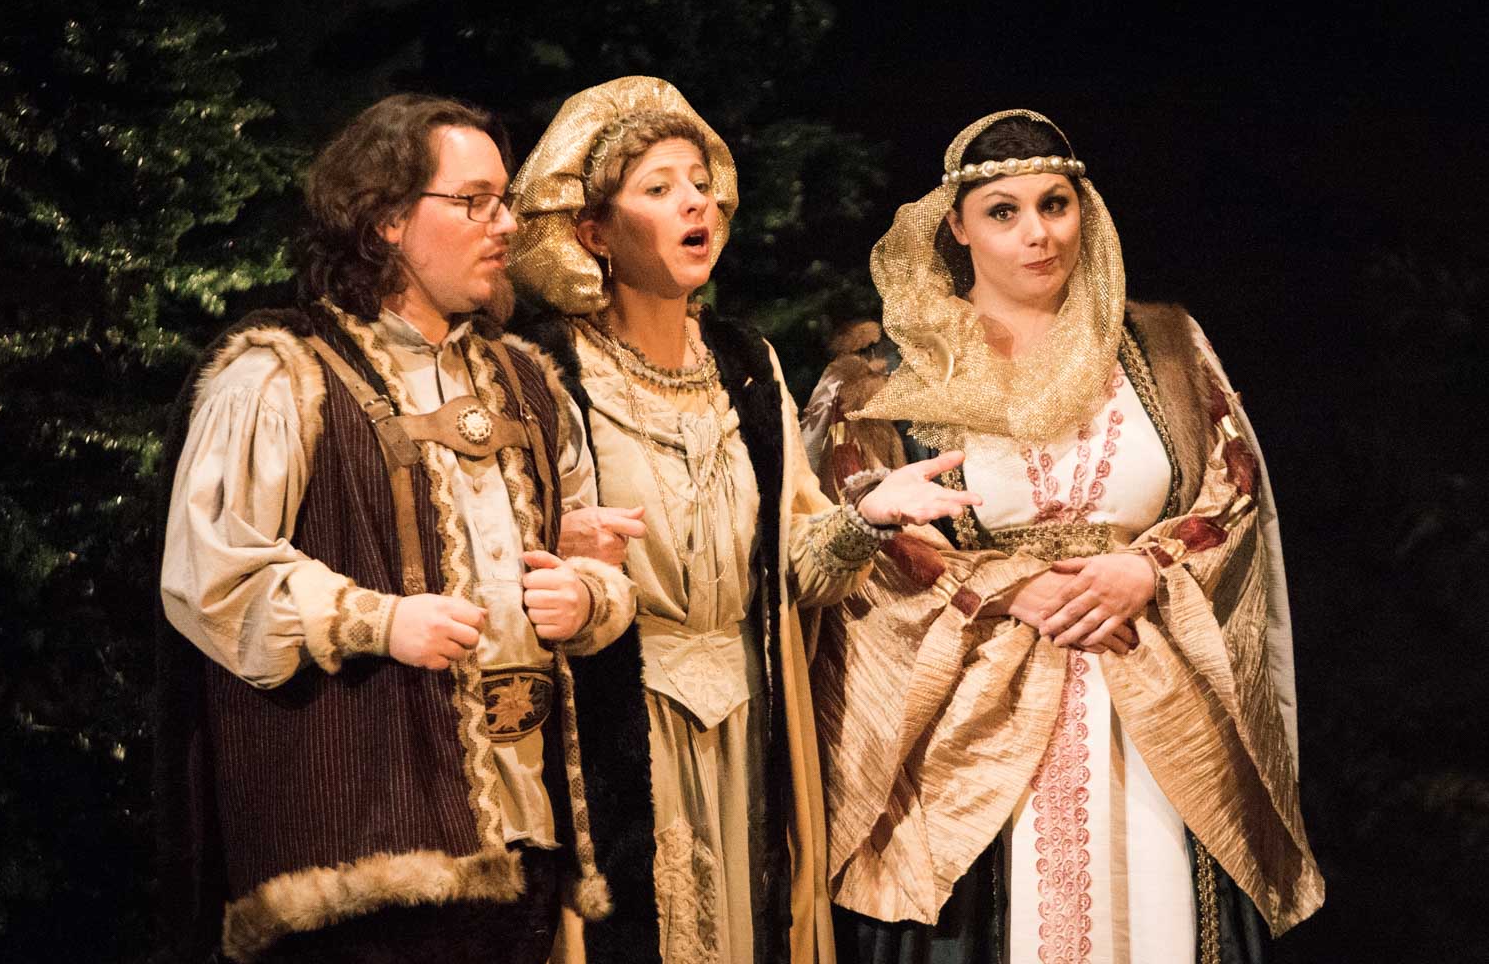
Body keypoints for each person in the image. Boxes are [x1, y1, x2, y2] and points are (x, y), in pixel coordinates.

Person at [805, 109, 1324, 963]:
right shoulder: (885, 381)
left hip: (1153, 696)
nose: (1038, 233)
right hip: (974, 728)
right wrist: (1009, 586)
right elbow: (871, 540)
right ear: (957, 229)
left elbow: (1231, 491)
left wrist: (1148, 567)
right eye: (1003, 211)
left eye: (1056, 204)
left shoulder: (1163, 350)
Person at [504, 76, 979, 964]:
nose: (695, 202)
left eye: (699, 182)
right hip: (619, 715)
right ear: (592, 233)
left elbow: (794, 567)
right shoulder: (543, 370)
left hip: (751, 714)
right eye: (658, 188)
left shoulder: (746, 363)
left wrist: (864, 519)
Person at [154, 93, 638, 964]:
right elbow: (210, 574)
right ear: (383, 219)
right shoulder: (279, 375)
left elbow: (583, 547)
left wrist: (591, 593)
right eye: (475, 202)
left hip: (525, 839)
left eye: (508, 203)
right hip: (363, 855)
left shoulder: (527, 383)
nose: (505, 227)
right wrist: (375, 619)